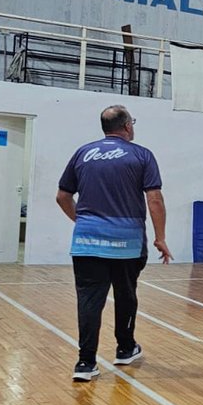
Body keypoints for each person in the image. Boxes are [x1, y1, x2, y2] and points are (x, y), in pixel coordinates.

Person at [56, 105, 171, 382]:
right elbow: (154, 199)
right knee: (126, 293)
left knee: (89, 301)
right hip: (127, 243)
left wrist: (83, 222)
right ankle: (125, 347)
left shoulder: (82, 153)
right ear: (128, 126)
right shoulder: (142, 155)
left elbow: (62, 196)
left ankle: (85, 363)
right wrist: (160, 237)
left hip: (86, 242)